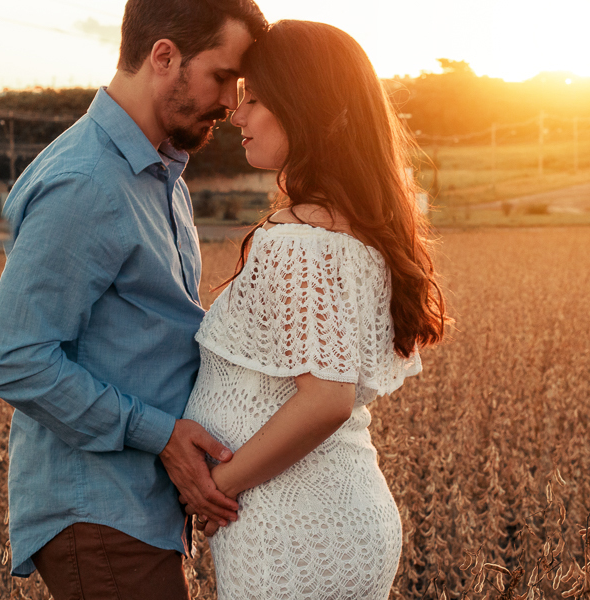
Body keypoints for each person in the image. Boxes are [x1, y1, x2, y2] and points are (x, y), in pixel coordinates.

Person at [0, 1, 266, 597]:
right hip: (99, 515)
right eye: (221, 77)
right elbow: (11, 357)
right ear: (164, 57)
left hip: (132, 514)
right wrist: (158, 434)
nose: (231, 102)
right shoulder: (87, 182)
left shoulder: (160, 175)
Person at [181, 20, 449, 599]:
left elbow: (326, 399)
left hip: (294, 529)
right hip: (327, 516)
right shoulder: (349, 229)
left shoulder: (300, 242)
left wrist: (216, 486)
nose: (237, 114)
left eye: (255, 98)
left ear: (311, 110)